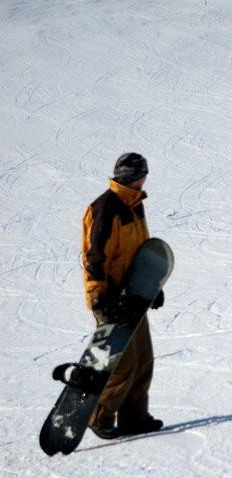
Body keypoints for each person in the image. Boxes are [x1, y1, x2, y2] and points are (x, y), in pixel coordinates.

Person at [82, 153, 164, 439]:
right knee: (123, 364)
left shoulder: (134, 204)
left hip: (134, 294)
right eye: (144, 174)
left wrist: (152, 284)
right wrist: (99, 299)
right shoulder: (106, 208)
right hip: (111, 298)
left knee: (143, 359)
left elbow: (140, 249)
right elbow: (94, 258)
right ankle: (98, 417)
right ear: (136, 176)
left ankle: (134, 419)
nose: (145, 180)